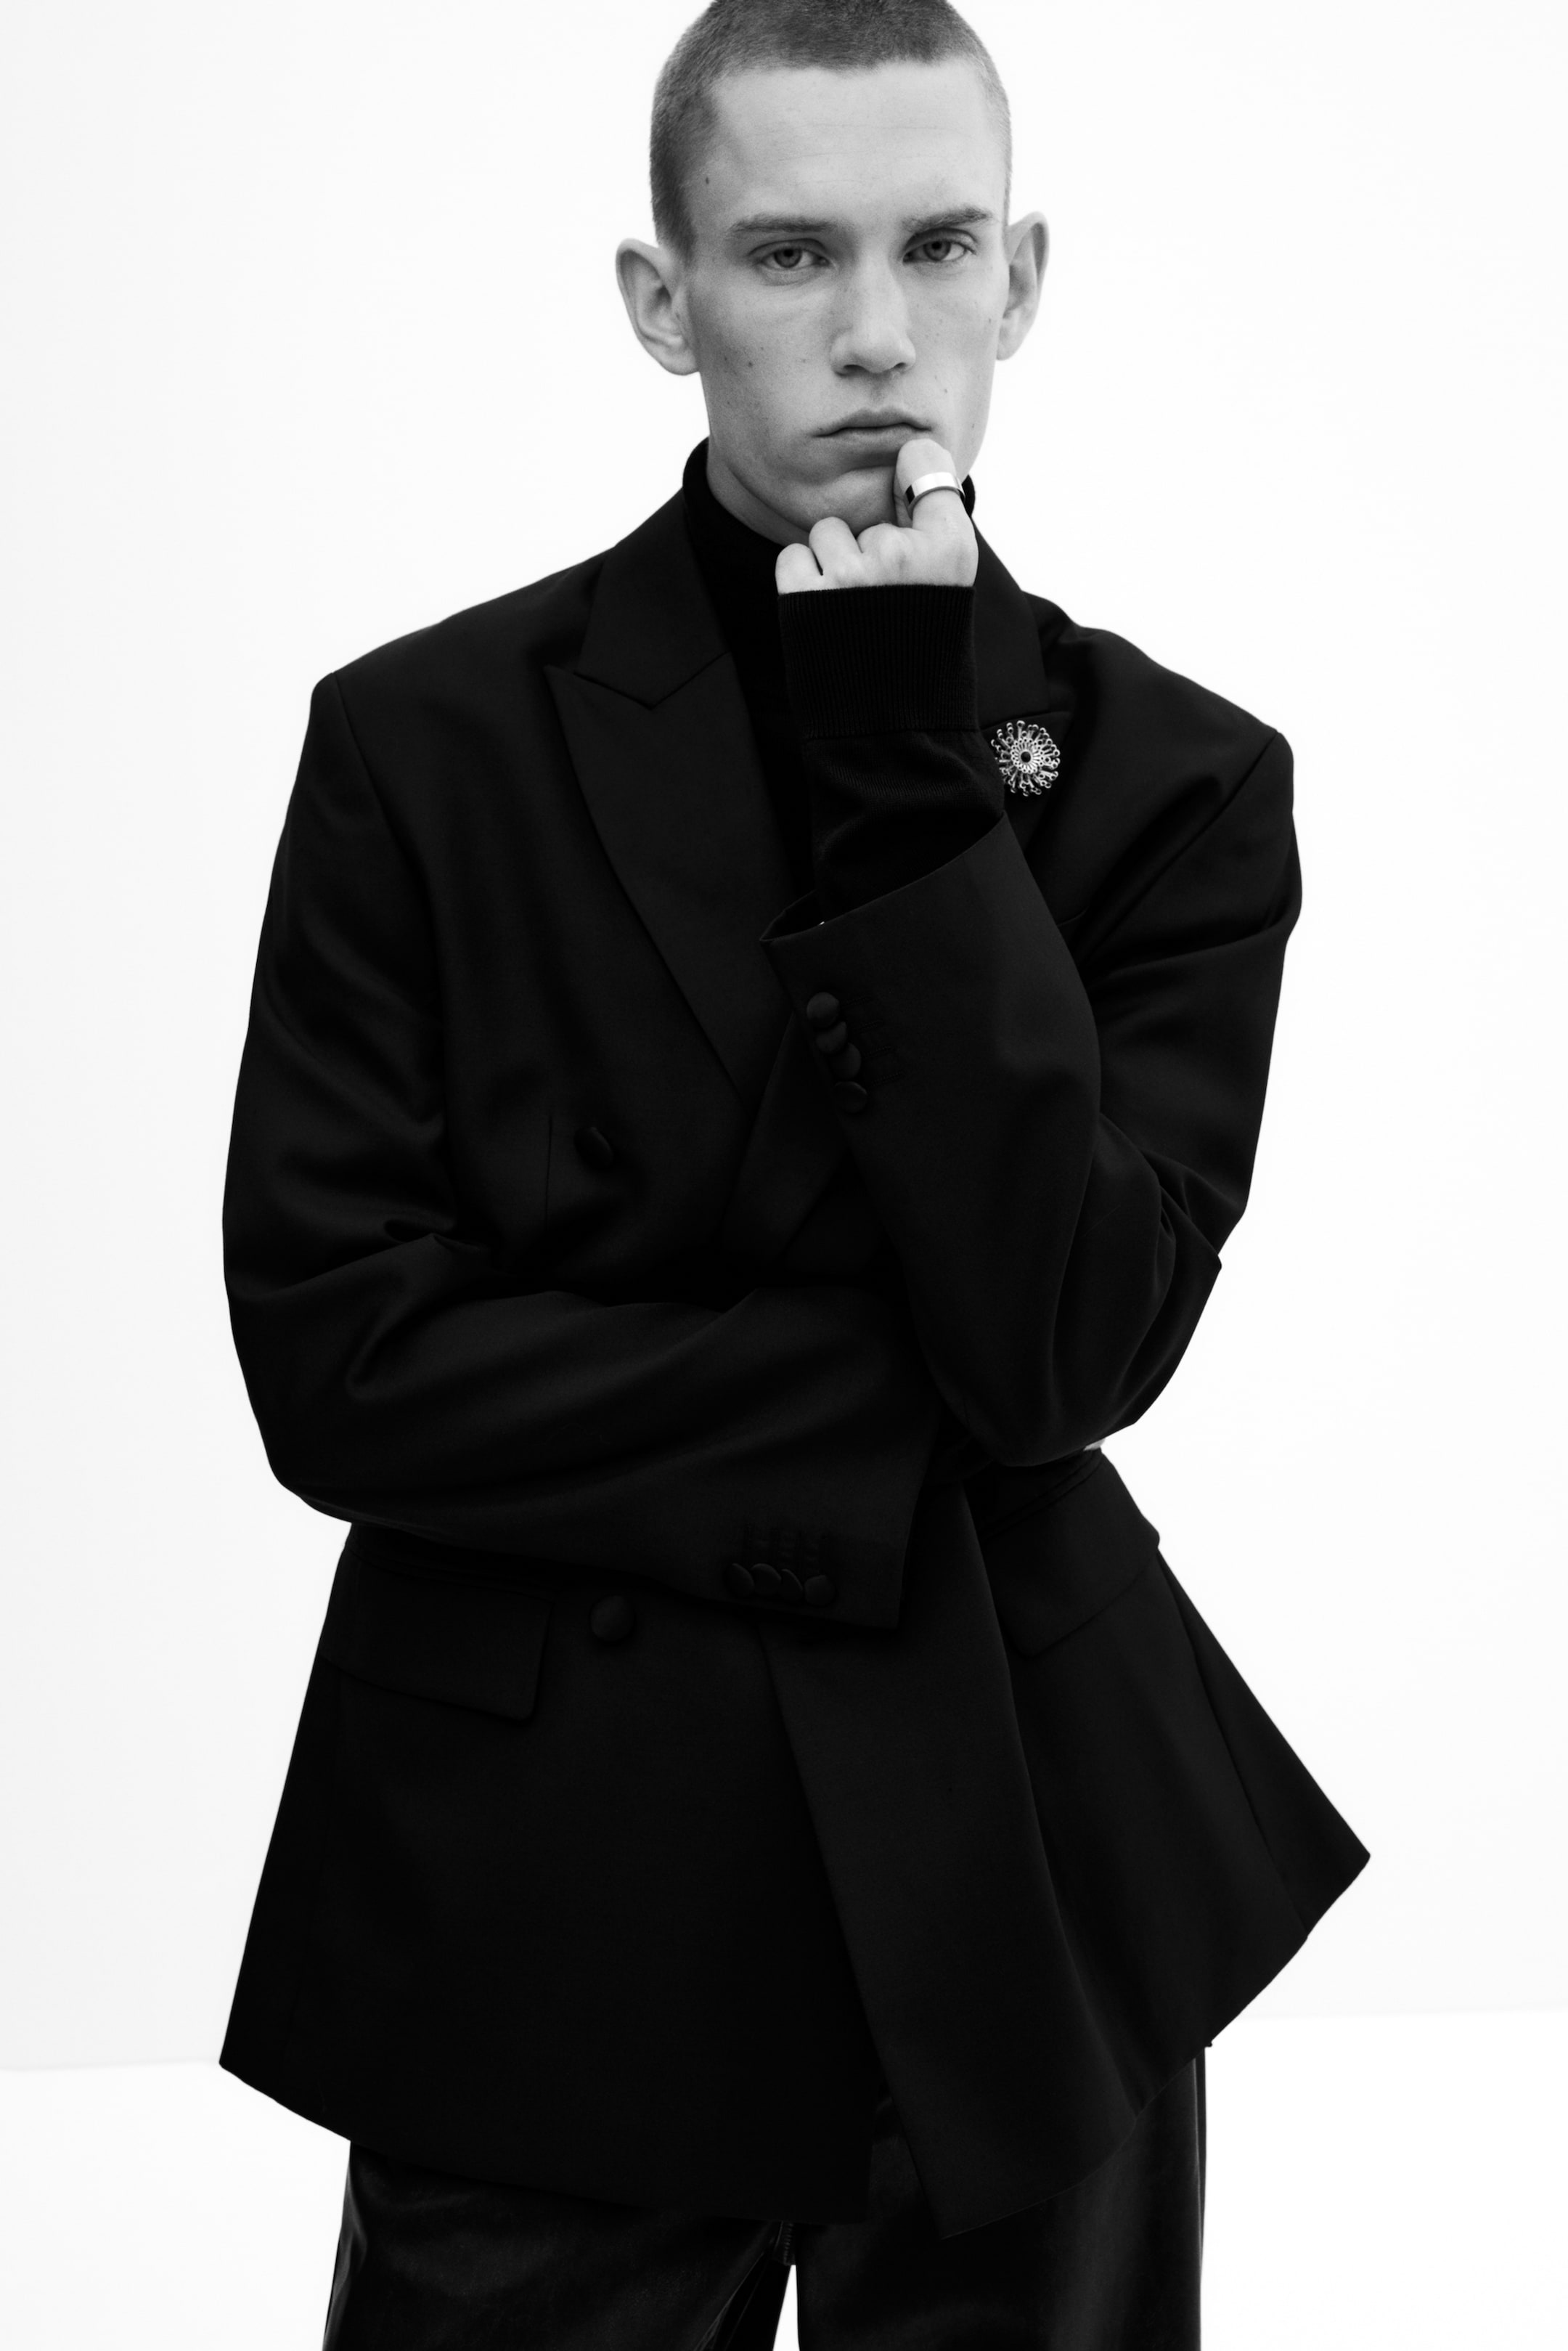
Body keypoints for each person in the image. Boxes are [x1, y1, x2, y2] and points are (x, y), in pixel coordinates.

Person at [219, 1, 1368, 2342]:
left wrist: (903, 776)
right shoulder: (423, 745)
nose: (873, 332)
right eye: (786, 253)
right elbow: (343, 1364)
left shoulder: (1174, 783)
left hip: (1020, 1859)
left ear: (1022, 277)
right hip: (552, 1868)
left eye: (937, 246)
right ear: (663, 303)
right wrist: (874, 1428)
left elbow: (1066, 1352)